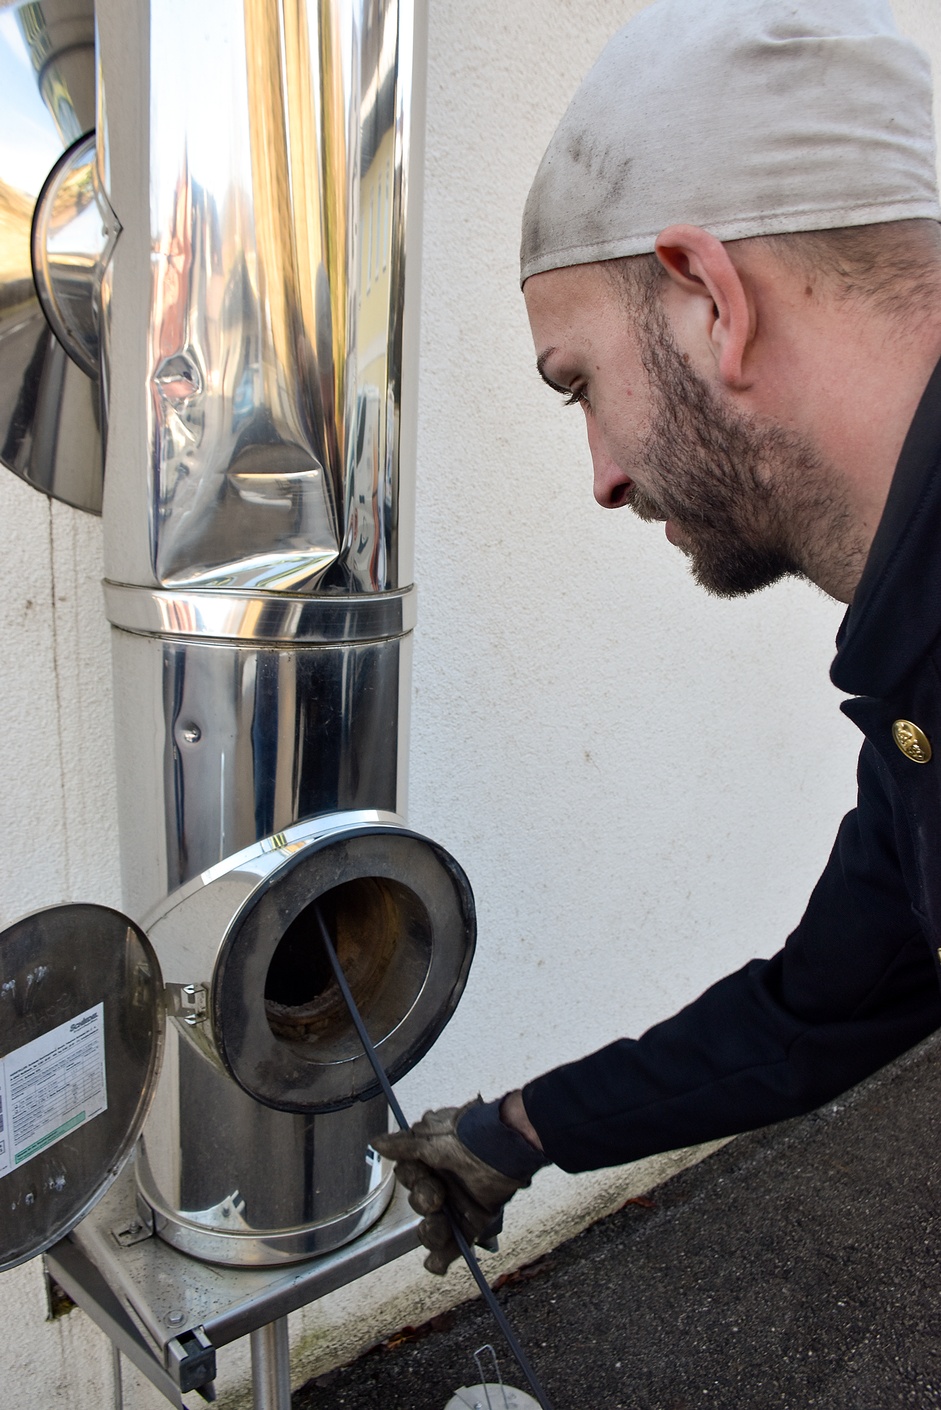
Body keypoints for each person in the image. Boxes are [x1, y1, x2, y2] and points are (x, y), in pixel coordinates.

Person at [374, 0, 941, 1274]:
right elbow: (816, 1010)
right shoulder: (913, 678)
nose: (602, 479)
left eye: (576, 383)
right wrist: (513, 1132)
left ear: (705, 300)